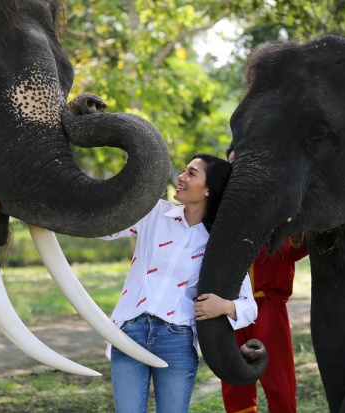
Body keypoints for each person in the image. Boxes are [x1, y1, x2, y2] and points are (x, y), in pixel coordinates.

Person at [101, 153, 258, 413]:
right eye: (184, 171)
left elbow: (249, 307)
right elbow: (107, 230)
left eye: (191, 173)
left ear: (209, 189)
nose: (180, 178)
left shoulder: (221, 244)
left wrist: (223, 307)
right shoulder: (154, 212)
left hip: (176, 340)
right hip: (130, 330)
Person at [221, 146, 308, 413]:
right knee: (234, 379)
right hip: (227, 307)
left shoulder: (280, 203)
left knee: (277, 377)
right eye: (233, 164)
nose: (238, 170)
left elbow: (296, 249)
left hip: (267, 305)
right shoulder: (222, 208)